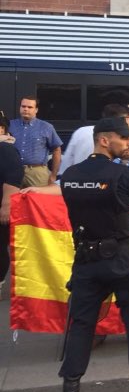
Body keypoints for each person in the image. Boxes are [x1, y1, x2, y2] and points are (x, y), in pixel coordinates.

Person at [54, 117, 129, 392]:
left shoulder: (71, 175)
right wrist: (126, 210)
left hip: (86, 260)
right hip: (122, 259)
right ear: (103, 140)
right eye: (121, 138)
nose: (127, 143)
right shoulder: (122, 175)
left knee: (82, 325)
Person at [9, 96, 62, 187]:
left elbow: (57, 150)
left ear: (36, 110)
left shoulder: (46, 127)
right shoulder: (10, 125)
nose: (26, 109)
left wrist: (53, 175)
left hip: (37, 172)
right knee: (12, 200)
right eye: (23, 106)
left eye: (30, 107)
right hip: (13, 170)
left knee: (38, 200)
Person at [0, 115, 25, 296]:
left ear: (2, 129)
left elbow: (13, 179)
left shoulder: (6, 149)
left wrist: (6, 205)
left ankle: (0, 281)